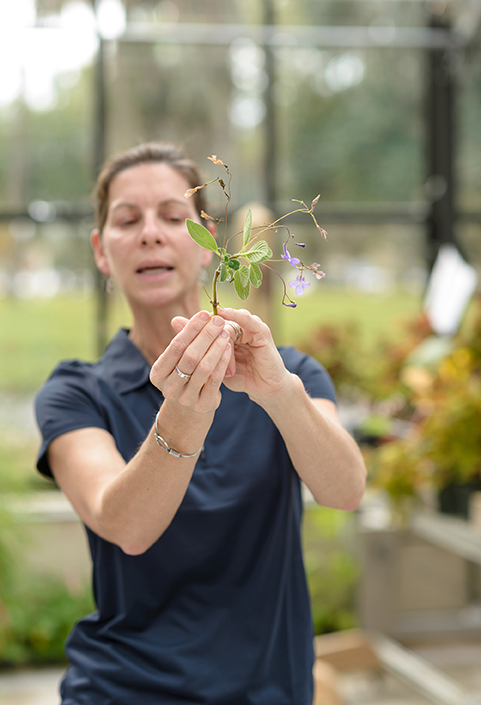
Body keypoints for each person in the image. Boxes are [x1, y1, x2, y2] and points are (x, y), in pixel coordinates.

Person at [35, 142, 366, 705]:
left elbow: (345, 489)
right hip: (124, 690)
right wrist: (184, 416)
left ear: (209, 244)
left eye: (171, 216)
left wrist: (278, 393)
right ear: (100, 250)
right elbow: (127, 526)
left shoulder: (287, 376)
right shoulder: (77, 393)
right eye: (126, 220)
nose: (150, 233)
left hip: (270, 690)